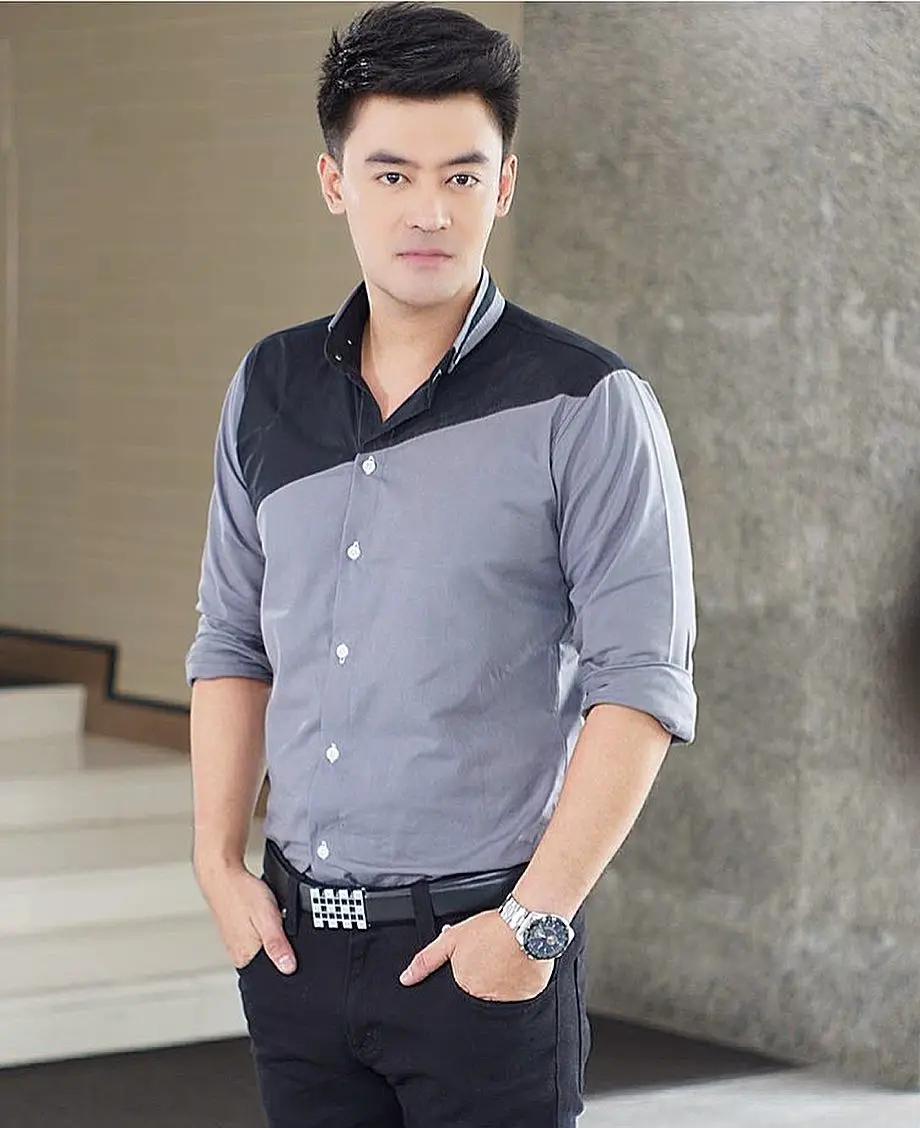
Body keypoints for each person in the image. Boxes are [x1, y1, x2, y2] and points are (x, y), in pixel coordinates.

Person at [185, 4, 697, 1126]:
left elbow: (641, 685)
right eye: (392, 174)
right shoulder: (267, 387)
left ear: (503, 186)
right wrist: (218, 866)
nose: (429, 210)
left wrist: (531, 927)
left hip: (483, 958)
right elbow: (230, 639)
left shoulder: (588, 404)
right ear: (335, 184)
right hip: (295, 956)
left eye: (462, 176)